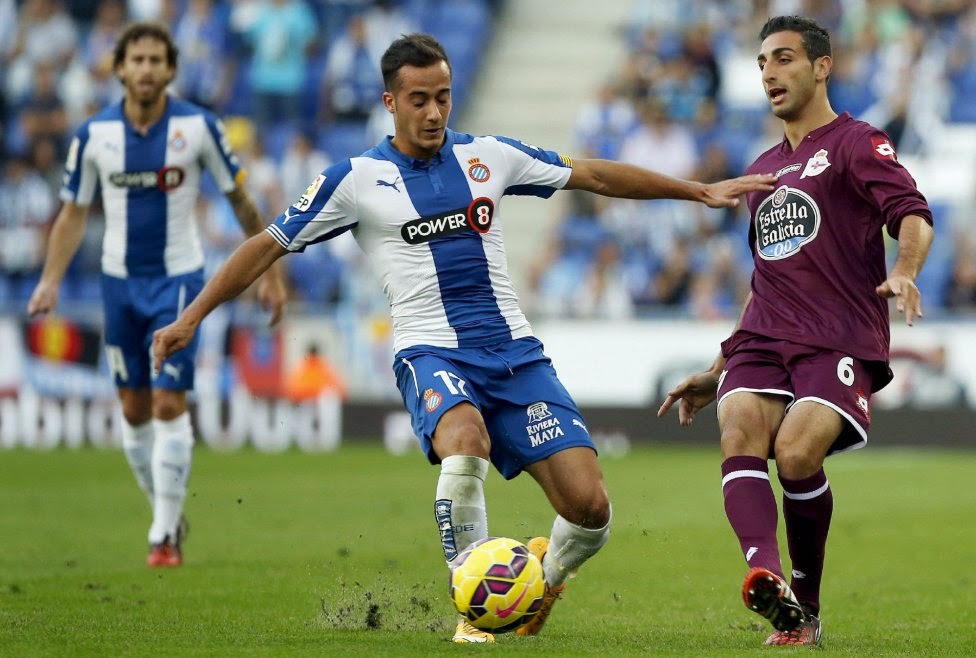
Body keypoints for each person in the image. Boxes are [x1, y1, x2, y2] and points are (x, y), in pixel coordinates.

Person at [152, 33, 775, 642]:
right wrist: (191, 318)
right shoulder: (355, 179)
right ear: (390, 102)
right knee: (465, 443)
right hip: (431, 351)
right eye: (419, 99)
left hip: (515, 355)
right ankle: (471, 602)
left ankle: (537, 588)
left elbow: (592, 175)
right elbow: (267, 243)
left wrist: (695, 190)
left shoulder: (488, 157)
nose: (433, 111)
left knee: (590, 512)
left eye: (443, 96)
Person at [657, 16, 934, 647]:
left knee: (798, 452)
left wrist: (906, 270)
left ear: (821, 66)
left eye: (784, 58)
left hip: (837, 337)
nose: (770, 73)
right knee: (739, 431)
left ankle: (804, 607)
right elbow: (768, 281)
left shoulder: (858, 143)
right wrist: (720, 366)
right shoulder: (760, 171)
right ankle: (767, 576)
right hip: (762, 338)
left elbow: (913, 215)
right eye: (761, 63)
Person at [26, 21, 286, 568]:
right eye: (136, 60)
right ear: (119, 68)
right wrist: (50, 278)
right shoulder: (94, 135)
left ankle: (163, 534)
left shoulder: (197, 127)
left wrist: (271, 272)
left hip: (179, 281)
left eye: (154, 60)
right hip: (118, 283)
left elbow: (240, 202)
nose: (145, 69)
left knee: (170, 403)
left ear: (170, 69)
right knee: (133, 408)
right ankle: (166, 511)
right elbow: (72, 212)